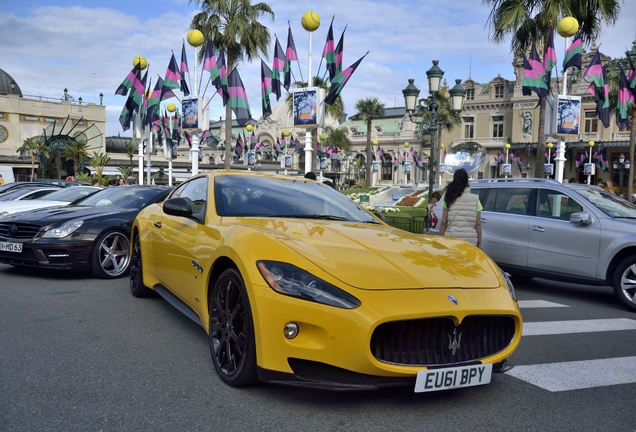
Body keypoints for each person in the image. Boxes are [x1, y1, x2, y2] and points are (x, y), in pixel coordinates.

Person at [439, 169, 482, 248]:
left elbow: (444, 222)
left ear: (454, 180)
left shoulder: (449, 198)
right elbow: (478, 223)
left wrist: (441, 239)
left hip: (451, 239)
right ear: (467, 182)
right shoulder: (476, 199)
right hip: (470, 241)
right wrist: (479, 243)